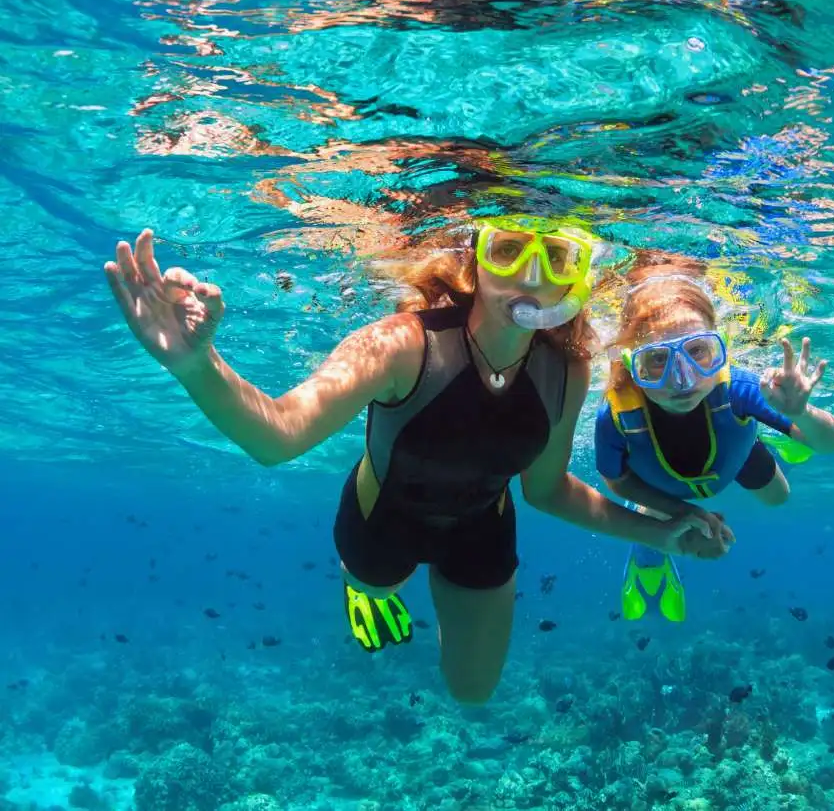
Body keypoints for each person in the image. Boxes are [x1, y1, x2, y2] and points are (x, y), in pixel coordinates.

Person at [104, 216, 730, 705]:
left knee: (473, 692)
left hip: (483, 526)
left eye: (557, 257)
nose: (532, 277)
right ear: (475, 260)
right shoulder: (404, 343)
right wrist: (195, 364)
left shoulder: (567, 369)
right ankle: (365, 588)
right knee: (375, 584)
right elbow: (279, 436)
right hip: (383, 520)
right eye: (509, 250)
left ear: (575, 276)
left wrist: (662, 532)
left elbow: (546, 491)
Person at [595, 262, 834, 623]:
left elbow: (832, 444)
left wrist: (802, 414)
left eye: (698, 352)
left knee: (779, 498)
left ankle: (784, 431)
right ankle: (648, 561)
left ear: (720, 347)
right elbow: (616, 481)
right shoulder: (616, 416)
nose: (682, 380)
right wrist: (685, 513)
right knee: (654, 520)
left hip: (735, 455)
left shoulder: (740, 388)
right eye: (657, 360)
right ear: (633, 364)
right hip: (659, 486)